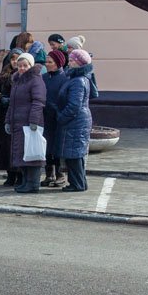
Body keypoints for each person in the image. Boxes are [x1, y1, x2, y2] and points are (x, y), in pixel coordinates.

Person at [7, 52, 47, 193]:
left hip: (30, 124)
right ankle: (26, 182)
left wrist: (34, 121)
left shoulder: (36, 80)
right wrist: (8, 121)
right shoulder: (17, 80)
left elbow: (39, 101)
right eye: (20, 65)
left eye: (25, 65)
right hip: (18, 124)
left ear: (31, 65)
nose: (22, 68)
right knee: (22, 154)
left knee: (33, 154)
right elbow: (12, 104)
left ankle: (33, 184)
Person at [57, 49, 95, 192]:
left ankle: (77, 184)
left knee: (74, 154)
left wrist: (61, 117)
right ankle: (79, 183)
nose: (70, 62)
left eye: (73, 60)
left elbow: (74, 105)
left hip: (75, 121)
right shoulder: (77, 78)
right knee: (74, 153)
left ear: (79, 63)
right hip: (77, 120)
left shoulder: (78, 81)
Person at [0, 49, 20, 185]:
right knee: (5, 146)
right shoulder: (5, 74)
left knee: (17, 146)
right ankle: (10, 174)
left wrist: (12, 100)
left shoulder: (25, 75)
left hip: (19, 115)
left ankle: (20, 174)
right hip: (4, 115)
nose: (15, 61)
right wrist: (0, 98)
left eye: (17, 58)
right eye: (12, 59)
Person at [41, 49, 68, 187]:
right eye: (46, 61)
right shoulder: (44, 77)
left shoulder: (65, 78)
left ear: (58, 63)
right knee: (46, 146)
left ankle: (60, 174)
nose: (47, 64)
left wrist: (57, 109)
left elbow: (66, 99)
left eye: (50, 62)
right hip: (45, 116)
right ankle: (49, 174)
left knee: (57, 146)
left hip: (58, 118)